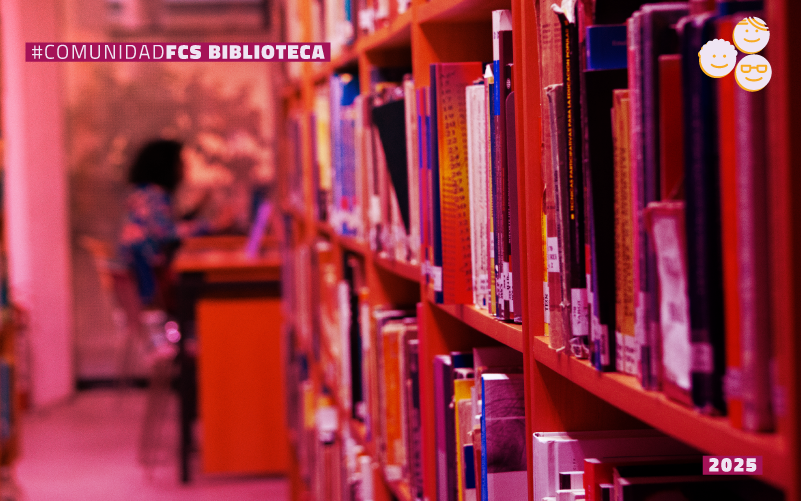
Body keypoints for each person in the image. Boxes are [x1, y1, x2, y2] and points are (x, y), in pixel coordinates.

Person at [117, 139, 225, 306]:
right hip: (153, 285)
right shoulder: (154, 196)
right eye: (180, 163)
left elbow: (160, 228)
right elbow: (165, 233)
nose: (184, 169)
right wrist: (213, 225)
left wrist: (196, 210)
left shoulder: (143, 193)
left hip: (143, 281)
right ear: (166, 166)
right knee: (209, 286)